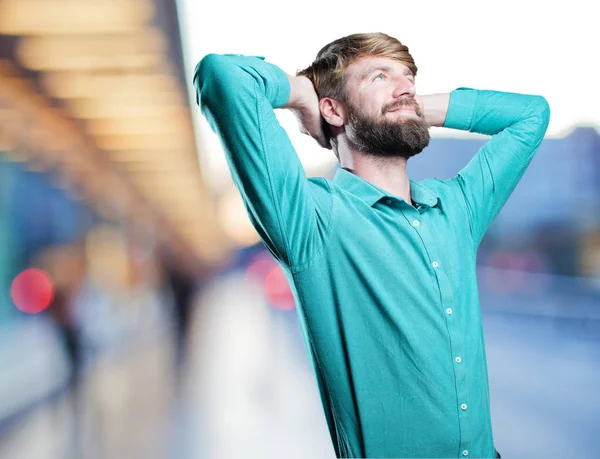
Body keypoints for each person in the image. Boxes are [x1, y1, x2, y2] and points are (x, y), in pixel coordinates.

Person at [193, 32, 549, 458]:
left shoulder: (456, 207)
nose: (406, 88)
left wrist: (407, 108)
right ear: (334, 109)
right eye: (380, 76)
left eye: (409, 78)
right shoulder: (312, 219)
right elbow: (222, 76)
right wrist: (305, 94)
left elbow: (531, 115)